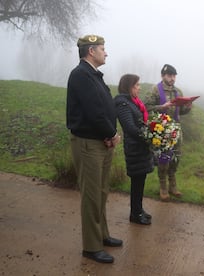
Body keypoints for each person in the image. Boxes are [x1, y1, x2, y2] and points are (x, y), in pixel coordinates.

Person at [66, 34, 122, 264]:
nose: (106, 52)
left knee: (101, 191)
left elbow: (104, 108)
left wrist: (109, 135)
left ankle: (102, 234)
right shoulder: (81, 75)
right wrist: (110, 134)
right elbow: (93, 111)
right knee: (91, 195)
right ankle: (91, 247)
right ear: (91, 51)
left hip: (101, 141)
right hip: (89, 143)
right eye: (102, 49)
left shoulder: (94, 75)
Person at [144, 64, 192, 201]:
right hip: (161, 130)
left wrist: (187, 107)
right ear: (163, 76)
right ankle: (163, 187)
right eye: (169, 75)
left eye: (174, 76)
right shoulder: (155, 90)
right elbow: (145, 108)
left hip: (176, 129)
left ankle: (173, 185)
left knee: (176, 157)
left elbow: (181, 111)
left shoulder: (178, 92)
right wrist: (161, 107)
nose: (172, 78)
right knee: (164, 158)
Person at [114, 74, 154, 225]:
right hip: (134, 148)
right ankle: (135, 214)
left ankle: (139, 209)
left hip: (140, 146)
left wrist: (152, 130)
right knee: (137, 181)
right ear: (129, 86)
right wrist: (148, 135)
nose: (139, 87)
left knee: (140, 179)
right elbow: (130, 128)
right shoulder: (122, 103)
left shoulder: (133, 102)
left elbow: (139, 122)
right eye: (137, 85)